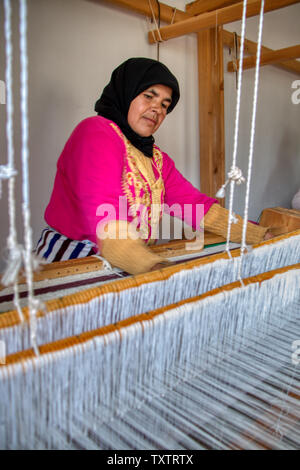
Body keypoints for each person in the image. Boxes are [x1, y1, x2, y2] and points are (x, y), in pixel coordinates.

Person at [36, 58, 270, 274]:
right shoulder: (95, 132)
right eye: (149, 96)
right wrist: (151, 267)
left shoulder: (156, 159)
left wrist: (259, 234)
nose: (157, 109)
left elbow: (196, 206)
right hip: (73, 263)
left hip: (128, 261)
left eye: (165, 105)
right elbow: (105, 218)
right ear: (126, 92)